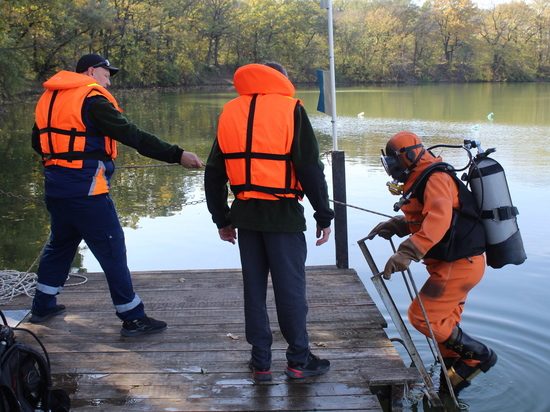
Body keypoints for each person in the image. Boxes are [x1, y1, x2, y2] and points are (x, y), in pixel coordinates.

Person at [30, 53, 203, 337]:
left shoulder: (49, 100)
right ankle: (133, 317)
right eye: (106, 73)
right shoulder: (92, 101)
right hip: (87, 192)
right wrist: (177, 154)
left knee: (60, 244)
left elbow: (39, 142)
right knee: (112, 251)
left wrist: (70, 159)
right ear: (90, 71)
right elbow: (133, 136)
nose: (108, 80)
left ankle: (42, 305)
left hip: (56, 188)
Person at [204, 62, 334, 382]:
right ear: (282, 80)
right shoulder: (291, 109)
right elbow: (309, 167)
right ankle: (298, 360)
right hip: (283, 216)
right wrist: (324, 213)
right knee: (290, 290)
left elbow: (214, 173)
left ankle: (261, 362)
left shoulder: (230, 111)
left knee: (254, 290)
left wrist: (221, 217)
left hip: (245, 216)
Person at [367, 131, 497, 395]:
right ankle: (450, 384)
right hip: (452, 263)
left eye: (394, 163)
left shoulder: (435, 177)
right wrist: (397, 225)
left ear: (410, 156)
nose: (392, 170)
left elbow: (439, 221)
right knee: (444, 329)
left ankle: (479, 356)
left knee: (421, 317)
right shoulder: (421, 178)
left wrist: (406, 253)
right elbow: (428, 217)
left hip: (459, 264)